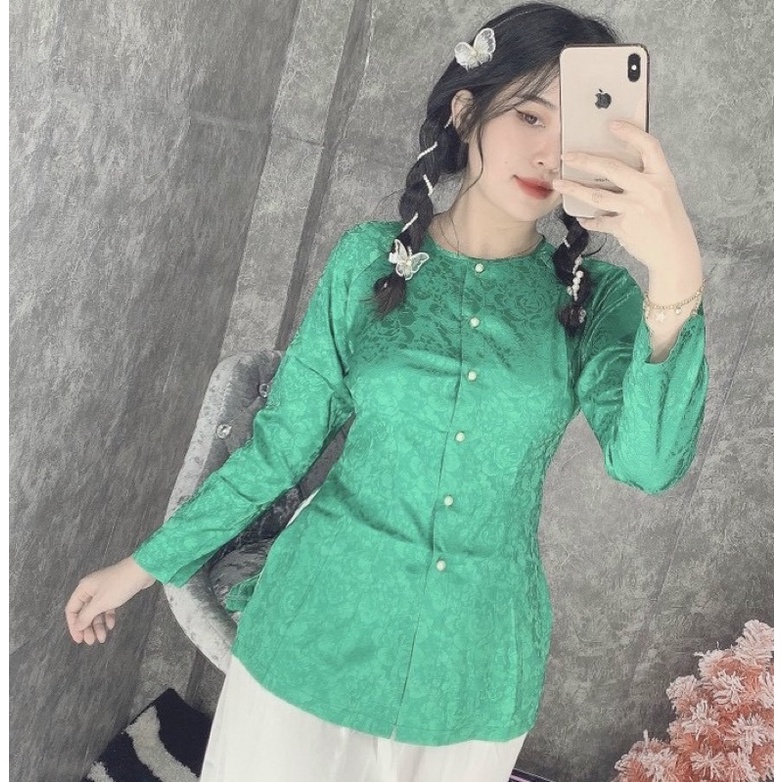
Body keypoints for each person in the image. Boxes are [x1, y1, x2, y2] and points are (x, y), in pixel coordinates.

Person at [64, 2, 709, 780]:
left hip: (473, 667)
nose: (551, 152)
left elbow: (648, 463)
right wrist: (139, 568)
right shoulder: (366, 260)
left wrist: (677, 273)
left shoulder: (597, 300)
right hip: (314, 631)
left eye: (576, 131)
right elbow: (280, 447)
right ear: (467, 112)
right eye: (531, 115)